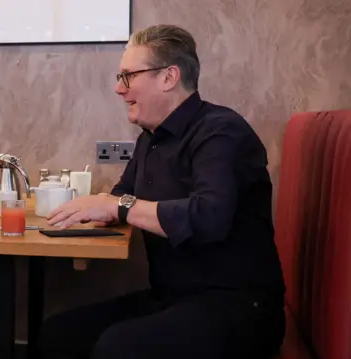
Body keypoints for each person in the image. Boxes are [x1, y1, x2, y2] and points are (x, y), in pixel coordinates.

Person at [38, 25, 286, 359]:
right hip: (172, 297)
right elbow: (121, 194)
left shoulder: (221, 132)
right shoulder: (149, 138)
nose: (118, 88)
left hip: (238, 305)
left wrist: (118, 207)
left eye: (128, 76)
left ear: (168, 77)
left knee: (117, 348)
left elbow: (208, 218)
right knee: (57, 335)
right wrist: (92, 212)